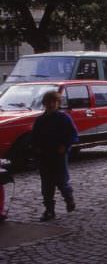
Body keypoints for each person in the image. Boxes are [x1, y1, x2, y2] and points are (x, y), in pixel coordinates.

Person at [31, 91, 78, 222]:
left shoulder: (64, 118)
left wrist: (65, 145)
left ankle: (69, 199)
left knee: (62, 181)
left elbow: (73, 135)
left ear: (58, 103)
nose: (51, 105)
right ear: (44, 104)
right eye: (48, 102)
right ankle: (49, 210)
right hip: (44, 156)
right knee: (46, 185)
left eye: (54, 102)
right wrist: (36, 149)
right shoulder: (40, 120)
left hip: (59, 155)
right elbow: (34, 137)